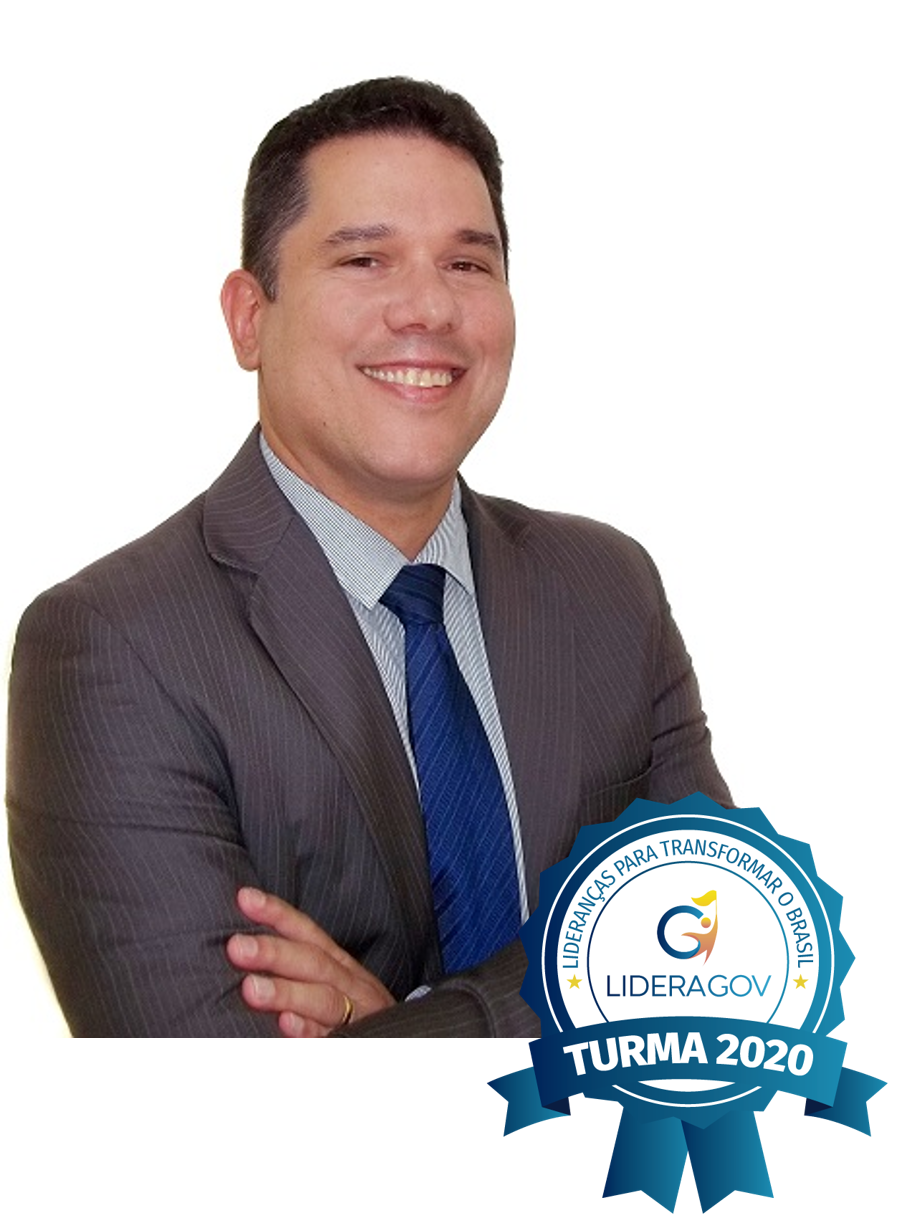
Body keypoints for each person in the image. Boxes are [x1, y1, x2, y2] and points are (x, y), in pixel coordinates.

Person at [7, 77, 730, 1039]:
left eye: (467, 264)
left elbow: (728, 947)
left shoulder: (607, 587)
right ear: (249, 317)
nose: (427, 307)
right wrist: (593, 991)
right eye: (364, 259)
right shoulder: (113, 646)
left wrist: (429, 1020)